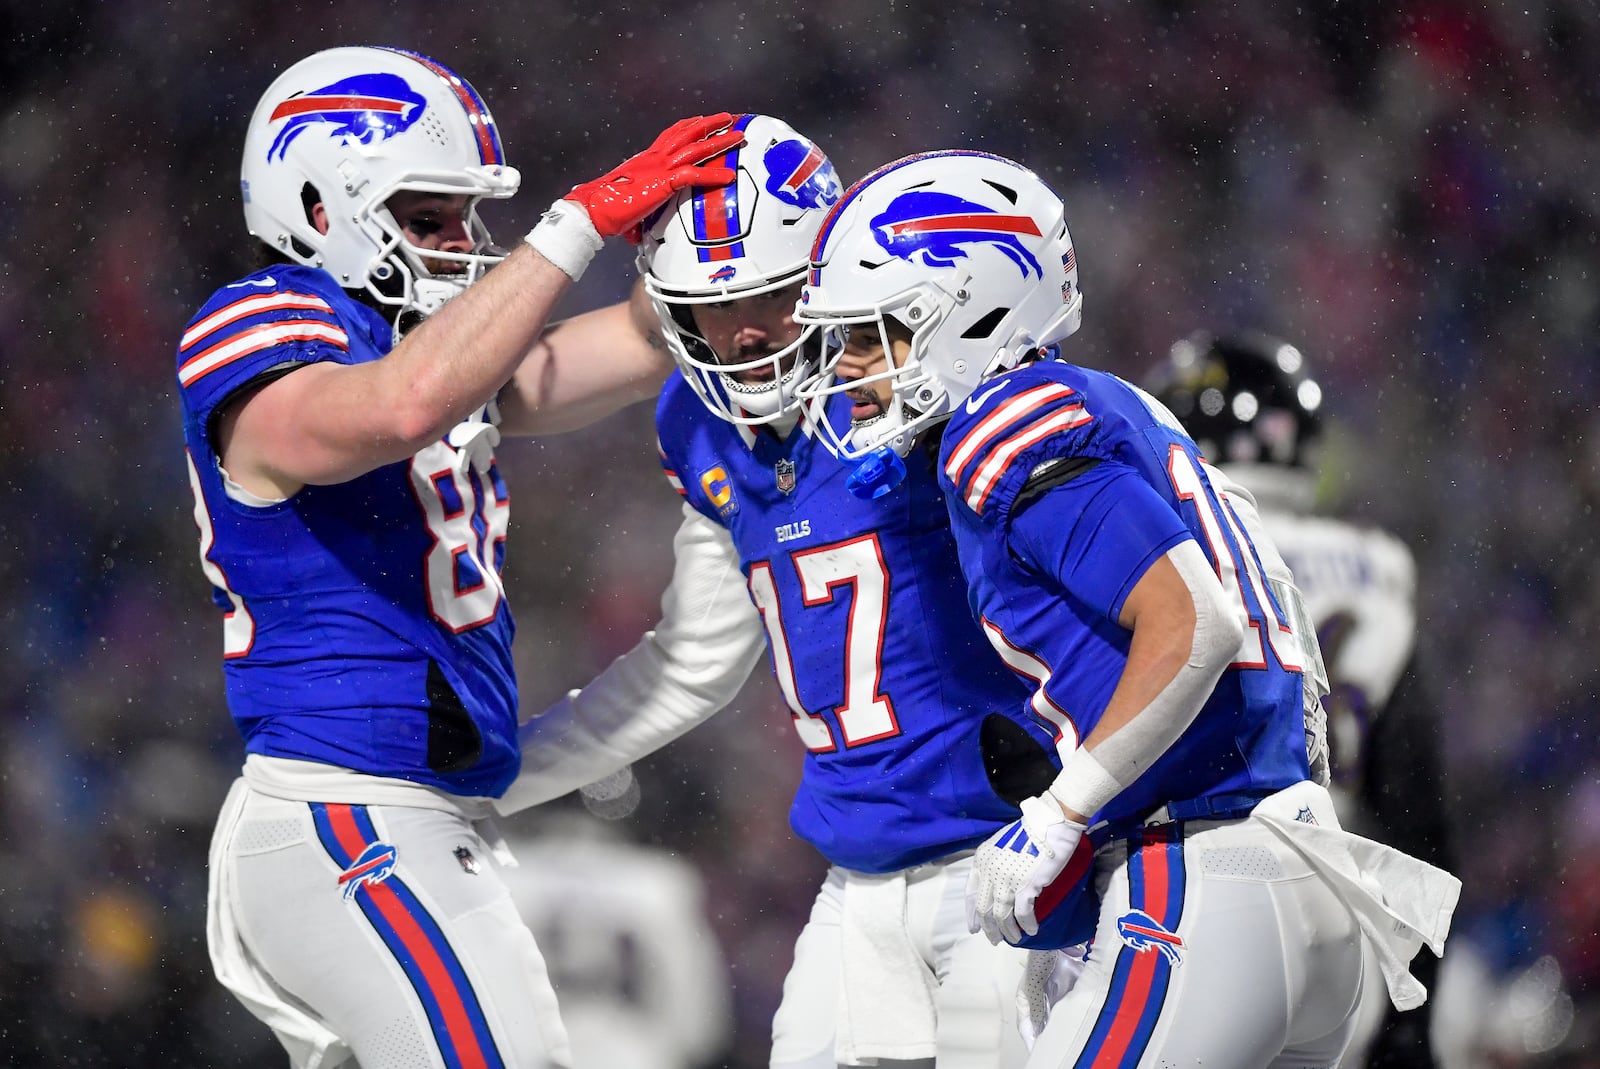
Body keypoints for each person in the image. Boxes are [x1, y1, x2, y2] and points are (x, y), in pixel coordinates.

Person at [792, 149, 1462, 1067]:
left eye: (874, 334)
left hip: (1203, 881)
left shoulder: (1003, 421)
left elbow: (1197, 624)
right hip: (1304, 874)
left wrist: (1061, 812)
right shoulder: (1124, 411)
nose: (850, 368)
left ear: (965, 307)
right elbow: (1274, 635)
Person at [180, 44, 743, 1069]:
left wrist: (741, 235)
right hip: (342, 807)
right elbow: (402, 403)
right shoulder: (263, 323)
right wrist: (578, 224)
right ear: (320, 206)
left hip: (421, 815)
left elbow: (645, 338)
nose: (464, 243)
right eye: (429, 216)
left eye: (468, 217)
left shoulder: (429, 352)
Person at [490, 115, 1082, 1068]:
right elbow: (692, 666)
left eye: (769, 294)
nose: (746, 336)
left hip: (1013, 856)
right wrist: (497, 783)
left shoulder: (936, 382)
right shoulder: (699, 423)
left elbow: (1118, 578)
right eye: (709, 310)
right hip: (856, 881)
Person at [1145, 331, 1458, 1068]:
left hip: (1186, 894)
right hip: (1342, 915)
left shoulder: (1161, 545)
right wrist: (1418, 1009)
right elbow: (1418, 815)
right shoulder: (1375, 570)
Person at [497, 800, 734, 1069]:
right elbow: (695, 1011)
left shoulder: (502, 875)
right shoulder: (658, 881)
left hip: (531, 1050)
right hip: (630, 1049)